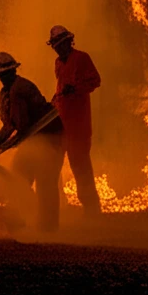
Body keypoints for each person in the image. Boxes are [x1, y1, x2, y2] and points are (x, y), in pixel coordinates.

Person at [0, 52, 64, 232]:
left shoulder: (19, 89)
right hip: (34, 137)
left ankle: (49, 228)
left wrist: (1, 146)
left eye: (8, 73)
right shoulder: (6, 92)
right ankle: (19, 217)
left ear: (13, 71)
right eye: (2, 74)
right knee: (19, 176)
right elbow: (9, 124)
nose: (5, 77)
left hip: (50, 135)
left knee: (46, 181)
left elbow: (21, 125)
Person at [47, 25, 102, 218]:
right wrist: (54, 102)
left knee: (81, 169)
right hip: (61, 125)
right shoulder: (58, 63)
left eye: (61, 44)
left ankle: (92, 212)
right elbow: (61, 88)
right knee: (53, 167)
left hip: (78, 127)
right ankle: (58, 209)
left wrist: (76, 88)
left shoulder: (82, 58)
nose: (58, 49)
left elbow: (95, 80)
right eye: (55, 46)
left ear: (69, 42)